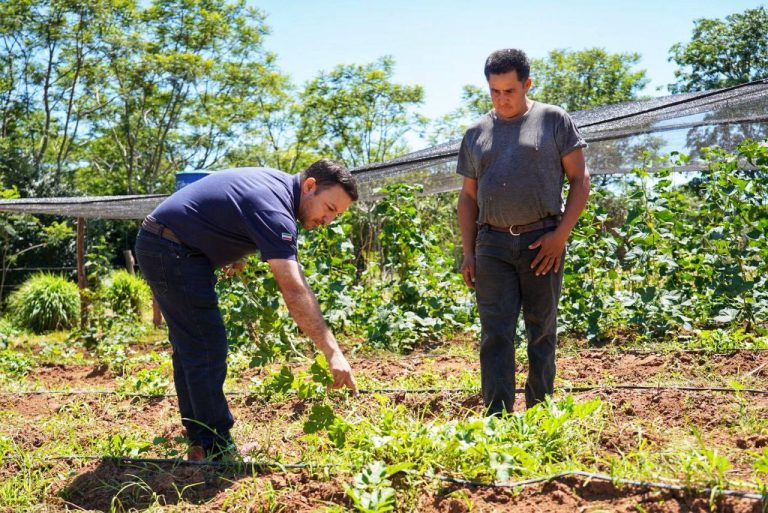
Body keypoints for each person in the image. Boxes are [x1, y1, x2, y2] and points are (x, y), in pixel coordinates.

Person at [135, 159, 359, 460]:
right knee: (205, 345)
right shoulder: (275, 208)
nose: (328, 220)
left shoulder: (278, 188)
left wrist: (227, 248)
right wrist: (333, 351)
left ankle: (202, 442)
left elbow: (228, 209)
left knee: (193, 347)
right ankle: (216, 448)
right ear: (310, 187)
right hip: (171, 248)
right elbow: (293, 289)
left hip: (169, 244)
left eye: (337, 215)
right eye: (329, 209)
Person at [456, 49, 590, 415]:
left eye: (510, 91)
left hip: (542, 241)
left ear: (527, 84)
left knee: (541, 329)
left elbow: (580, 180)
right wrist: (469, 252)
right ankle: (497, 415)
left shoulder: (553, 120)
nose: (502, 99)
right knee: (495, 332)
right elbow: (467, 199)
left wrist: (560, 235)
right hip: (492, 244)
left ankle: (539, 412)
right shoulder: (475, 133)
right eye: (495, 91)